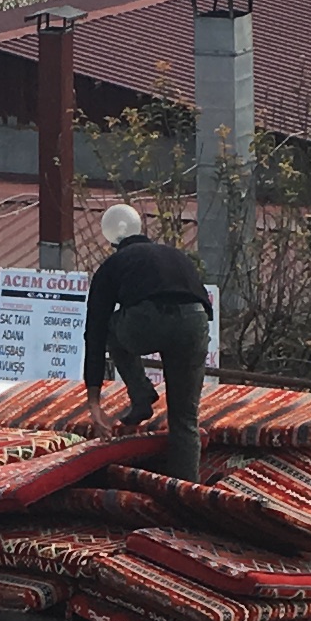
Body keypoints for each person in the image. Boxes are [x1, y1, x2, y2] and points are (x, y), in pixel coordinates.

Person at [80, 203, 212, 479]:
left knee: (111, 327)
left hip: (149, 321)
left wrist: (93, 403)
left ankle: (141, 393)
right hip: (195, 322)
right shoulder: (175, 255)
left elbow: (95, 331)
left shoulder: (113, 265)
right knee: (185, 420)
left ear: (112, 240)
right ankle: (186, 492)